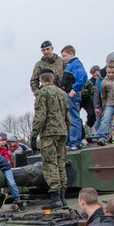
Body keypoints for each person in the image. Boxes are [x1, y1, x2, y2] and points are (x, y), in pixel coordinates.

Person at [31, 69, 70, 209]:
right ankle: (62, 197)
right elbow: (67, 115)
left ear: (41, 80)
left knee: (50, 163)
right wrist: (67, 130)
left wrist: (34, 134)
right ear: (53, 78)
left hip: (48, 133)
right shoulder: (62, 93)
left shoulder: (42, 93)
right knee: (60, 163)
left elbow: (40, 115)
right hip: (62, 131)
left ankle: (55, 197)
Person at [59, 45, 87, 150]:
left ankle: (75, 142)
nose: (63, 58)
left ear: (71, 54)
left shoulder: (76, 64)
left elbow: (83, 77)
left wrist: (75, 89)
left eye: (64, 56)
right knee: (69, 118)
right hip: (67, 94)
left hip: (72, 95)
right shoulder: (70, 65)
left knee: (73, 117)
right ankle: (71, 141)